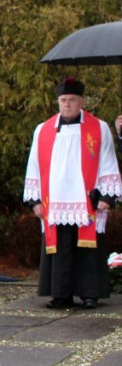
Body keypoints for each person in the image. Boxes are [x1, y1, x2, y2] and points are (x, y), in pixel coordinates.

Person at [24, 77, 121, 308]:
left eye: (71, 100)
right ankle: (60, 293)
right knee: (60, 247)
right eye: (63, 100)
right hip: (54, 200)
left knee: (87, 249)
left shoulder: (99, 128)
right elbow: (34, 165)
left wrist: (107, 197)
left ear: (81, 102)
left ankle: (89, 294)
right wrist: (35, 200)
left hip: (87, 200)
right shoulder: (43, 130)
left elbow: (108, 161)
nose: (66, 104)